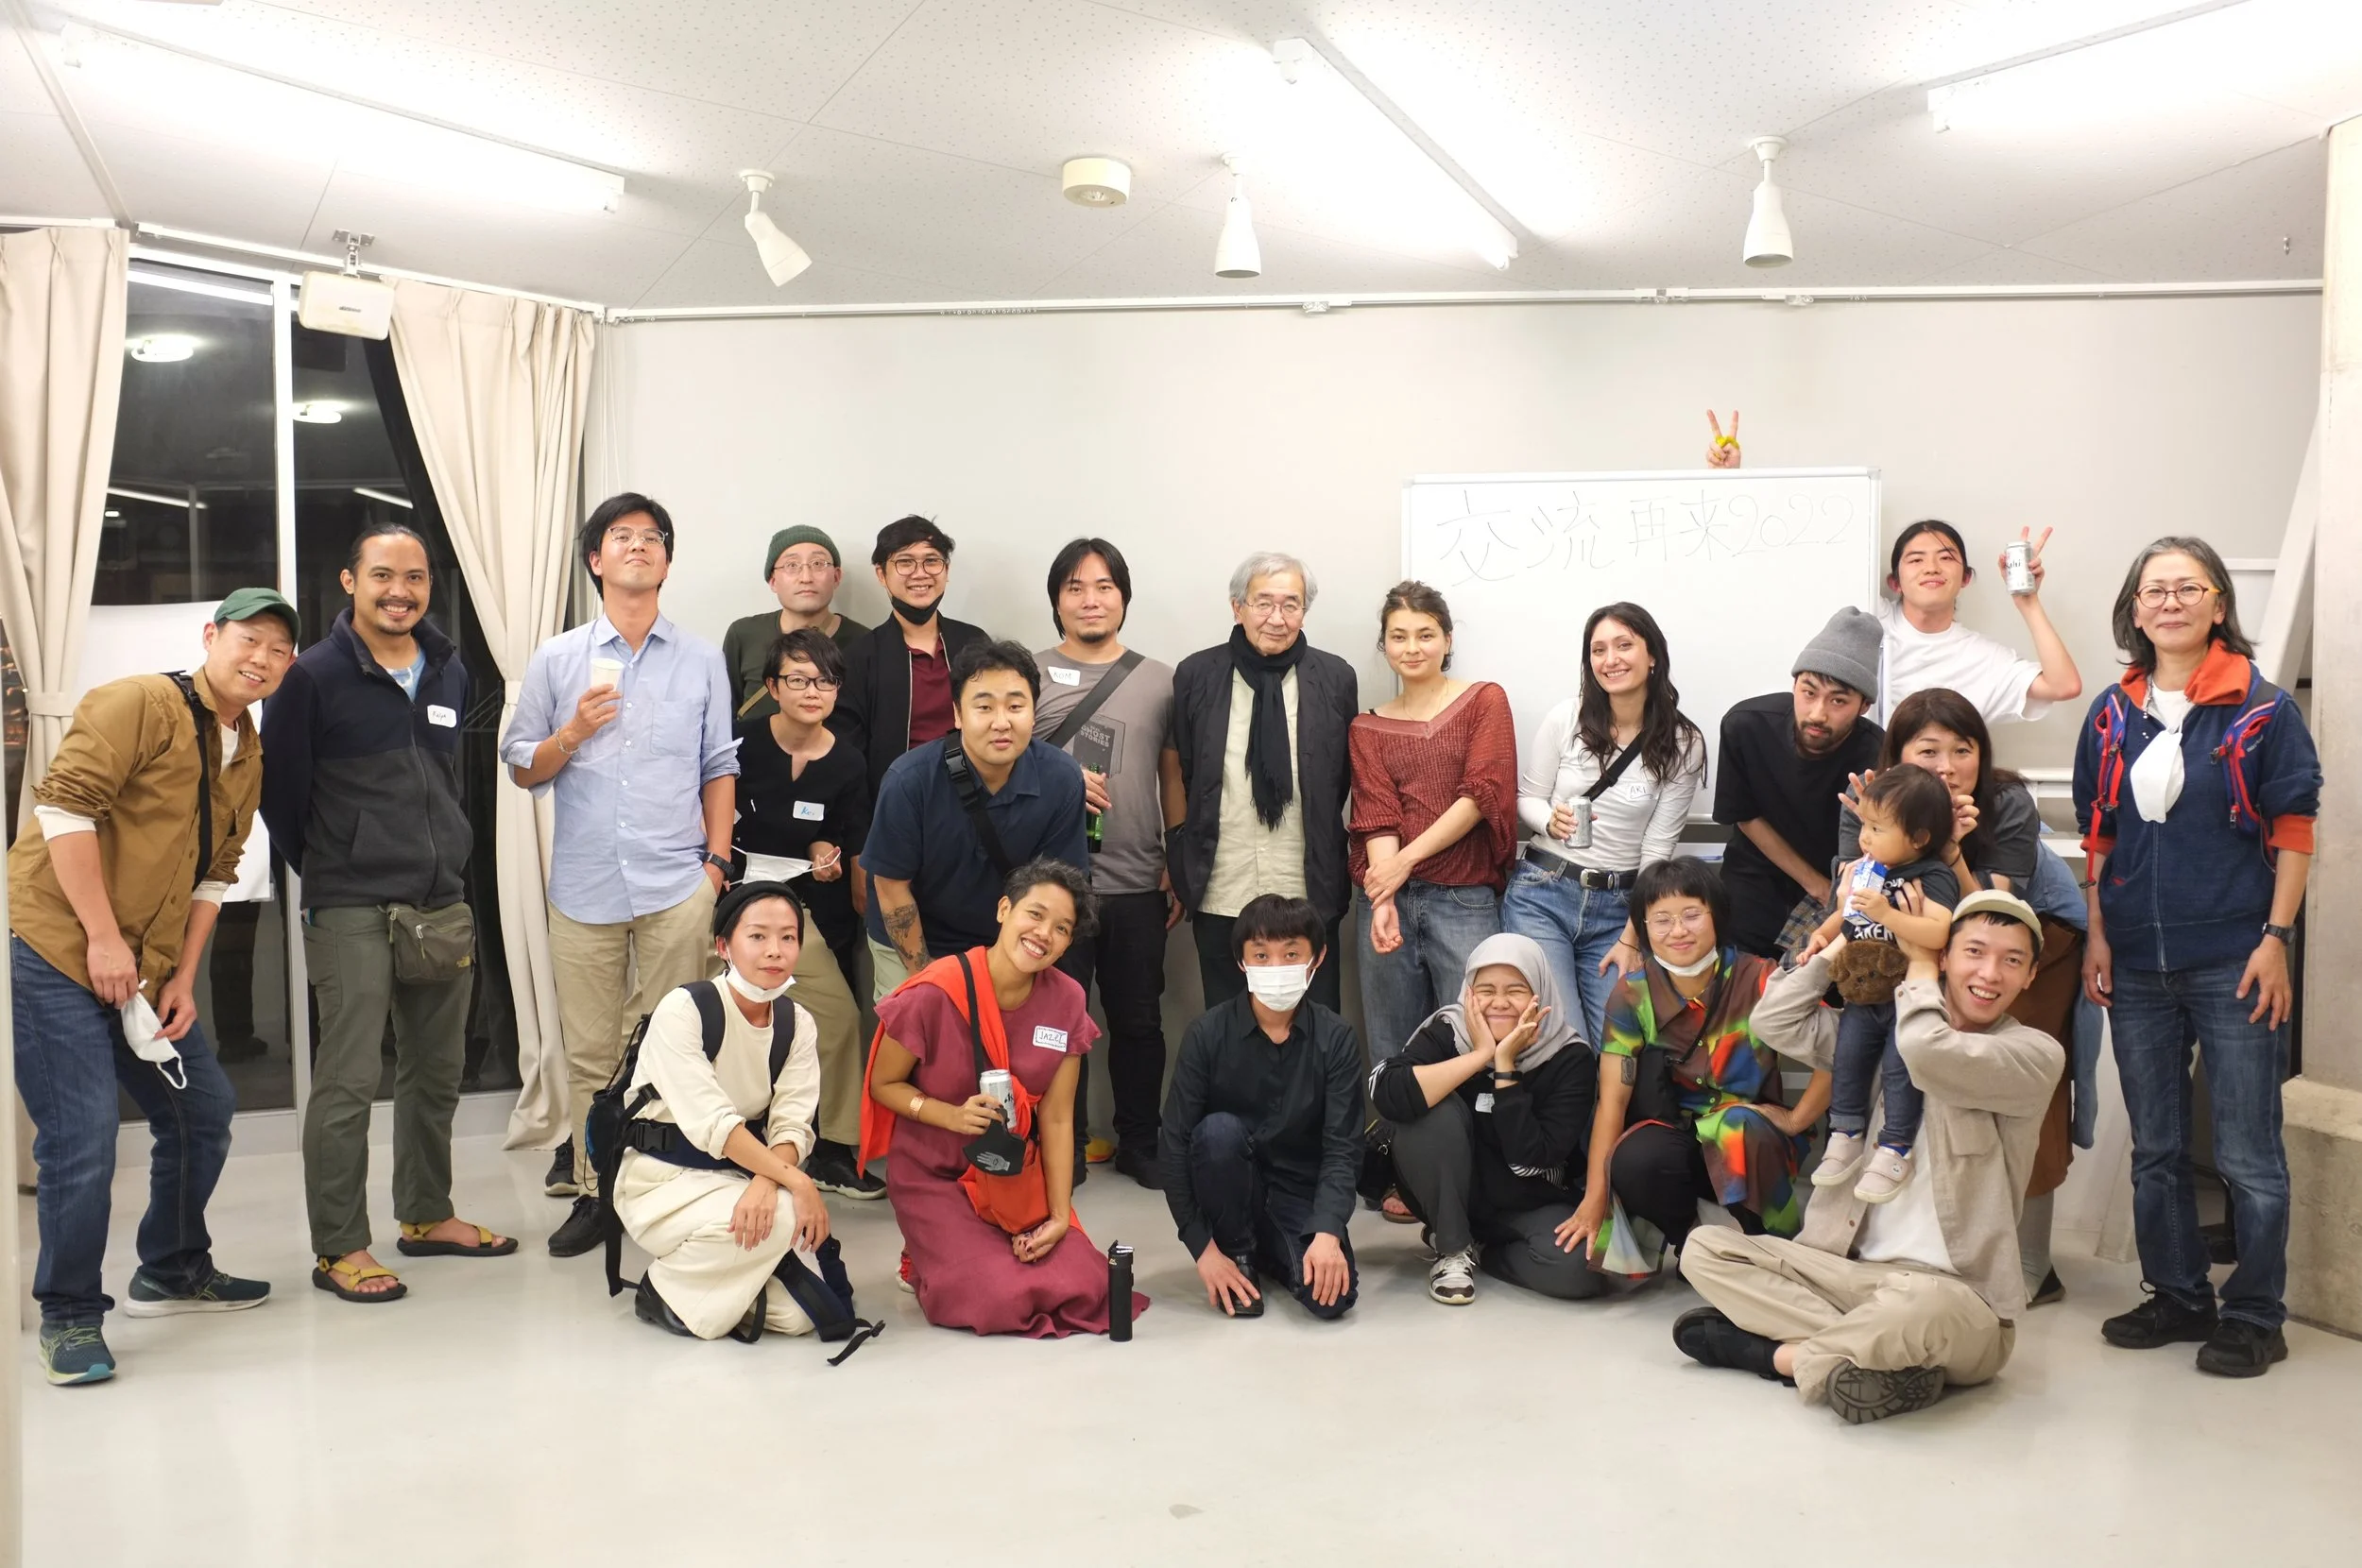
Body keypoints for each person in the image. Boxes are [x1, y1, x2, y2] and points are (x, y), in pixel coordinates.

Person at [10, 588, 297, 1385]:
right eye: (249, 639)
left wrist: (182, 977)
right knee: (82, 1137)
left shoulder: (248, 751)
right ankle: (69, 1314)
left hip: (142, 962)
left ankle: (171, 1270)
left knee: (201, 1111)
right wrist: (102, 940)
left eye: (279, 650)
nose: (262, 659)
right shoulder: (138, 703)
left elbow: (215, 873)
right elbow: (64, 812)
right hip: (55, 945)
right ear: (211, 636)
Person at [1676, 890, 2063, 1425]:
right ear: (1946, 955)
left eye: (2012, 960)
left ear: (2030, 976)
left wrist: (1919, 968)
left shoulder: (2033, 1055)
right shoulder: (1873, 1038)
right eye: (1974, 952)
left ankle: (1776, 1356)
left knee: (1919, 1309)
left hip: (1955, 1298)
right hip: (1847, 1276)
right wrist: (1847, 934)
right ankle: (1879, 1356)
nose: (1990, 973)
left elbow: (1927, 1051)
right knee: (1705, 1249)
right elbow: (1775, 1021)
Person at [2076, 537, 2319, 1378]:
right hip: (2136, 962)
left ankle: (2255, 1314)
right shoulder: (2112, 713)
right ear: (2135, 611)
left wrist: (2276, 941)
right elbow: (2099, 835)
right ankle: (2179, 1294)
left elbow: (2295, 832)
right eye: (2155, 590)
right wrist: (2099, 932)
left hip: (2235, 957)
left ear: (2218, 604)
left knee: (2249, 1153)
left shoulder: (2263, 709)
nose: (2170, 602)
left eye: (2188, 587)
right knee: (2156, 1146)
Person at [260, 523, 512, 1304]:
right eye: (381, 575)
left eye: (415, 577)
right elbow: (280, 798)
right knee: (349, 1077)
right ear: (350, 581)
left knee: (436, 1070)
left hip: (440, 898)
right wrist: (337, 865)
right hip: (351, 902)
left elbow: (444, 780)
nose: (399, 591)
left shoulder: (448, 670)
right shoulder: (311, 677)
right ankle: (339, 1245)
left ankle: (427, 1214)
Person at [500, 493, 740, 1257]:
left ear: (667, 560)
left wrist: (716, 864)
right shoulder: (557, 657)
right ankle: (596, 1191)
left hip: (677, 885)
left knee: (673, 1047)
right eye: (621, 536)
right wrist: (572, 731)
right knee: (591, 1054)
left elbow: (719, 765)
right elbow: (521, 765)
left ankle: (664, 1187)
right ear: (595, 560)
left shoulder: (701, 658)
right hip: (584, 887)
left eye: (652, 537)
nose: (638, 546)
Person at [1833, 686, 2096, 1305]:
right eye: (1928, 751)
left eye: (1962, 749)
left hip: (2029, 941)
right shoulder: (1873, 798)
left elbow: (1991, 917)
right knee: (1901, 1054)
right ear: (1898, 755)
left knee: (2013, 1082)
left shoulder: (2005, 802)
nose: (1947, 766)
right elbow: (1854, 895)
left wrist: (1951, 852)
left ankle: (2029, 1264)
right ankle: (1900, 1234)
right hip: (1925, 936)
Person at [861, 860, 1142, 1336]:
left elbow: (1057, 1119)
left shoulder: (1067, 1001)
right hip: (935, 1174)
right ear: (1004, 910)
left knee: (1086, 1284)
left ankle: (960, 1253)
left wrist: (1059, 1217)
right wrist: (949, 1116)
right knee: (998, 1297)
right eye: (1035, 914)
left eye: (1062, 928)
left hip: (1011, 1175)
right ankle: (922, 1256)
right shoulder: (935, 991)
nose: (1043, 934)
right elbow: (883, 1085)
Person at [1559, 858, 1824, 1264]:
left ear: (1716, 915)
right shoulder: (1631, 995)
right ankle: (1693, 1240)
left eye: (1691, 915)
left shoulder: (1760, 978)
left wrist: (1796, 1118)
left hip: (1751, 1141)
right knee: (1635, 1159)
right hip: (1677, 1141)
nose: (1678, 931)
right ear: (1643, 927)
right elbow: (1612, 1101)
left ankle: (1761, 1248)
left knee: (1737, 1127)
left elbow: (1843, 1043)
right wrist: (1594, 1198)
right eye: (1662, 920)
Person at [612, 881, 832, 1341]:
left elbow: (793, 1125)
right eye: (757, 936)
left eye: (788, 937)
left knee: (804, 1313)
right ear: (723, 946)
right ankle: (662, 1289)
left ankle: (715, 1286)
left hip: (741, 1176)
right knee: (787, 1214)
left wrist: (767, 1181)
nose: (775, 951)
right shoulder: (684, 1010)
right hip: (662, 1181)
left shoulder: (798, 1023)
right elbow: (714, 1123)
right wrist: (794, 1182)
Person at [1032, 538, 1181, 1189]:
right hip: (1051, 883)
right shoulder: (1028, 673)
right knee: (1057, 1022)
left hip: (1137, 877)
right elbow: (1000, 761)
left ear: (1123, 597)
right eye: (1075, 587)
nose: (1090, 600)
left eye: (1104, 587)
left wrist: (1176, 853)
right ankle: (1064, 1143)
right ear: (1056, 600)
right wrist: (1060, 776)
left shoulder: (1161, 679)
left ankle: (1139, 1142)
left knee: (1139, 1020)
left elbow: (1172, 772)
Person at [1502, 601, 1705, 1043]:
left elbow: (1657, 850)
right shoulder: (1567, 717)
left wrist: (1633, 935)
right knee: (1564, 1040)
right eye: (1598, 650)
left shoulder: (1684, 742)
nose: (1610, 660)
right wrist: (1549, 820)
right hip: (1543, 894)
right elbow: (1528, 798)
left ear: (1653, 655)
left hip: (1620, 908)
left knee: (1617, 1043)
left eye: (1624, 645)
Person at [1368, 933, 1602, 1305]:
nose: (1499, 1002)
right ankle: (1452, 1248)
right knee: (1429, 1107)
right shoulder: (1450, 1030)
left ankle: (1480, 1250)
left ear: (1540, 992)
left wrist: (1505, 1068)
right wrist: (1479, 1056)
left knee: (1580, 1269)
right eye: (1486, 990)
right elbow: (1386, 1091)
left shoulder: (1569, 1057)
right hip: (1452, 1196)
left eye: (1516, 990)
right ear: (1468, 992)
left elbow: (1530, 1162)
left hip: (1528, 1200)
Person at [1170, 553, 1359, 1013]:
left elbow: (1339, 779)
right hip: (1223, 882)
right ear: (1238, 607)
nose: (1277, 618)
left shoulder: (1335, 678)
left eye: (1291, 604)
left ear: (1304, 612)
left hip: (1307, 884)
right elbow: (1187, 772)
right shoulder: (1197, 675)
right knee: (1228, 1022)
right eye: (1263, 603)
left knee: (1315, 1023)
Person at [1159, 895, 1362, 1321]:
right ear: (1242, 961)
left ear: (1318, 957)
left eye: (1291, 954)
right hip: (1227, 1187)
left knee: (1332, 1301)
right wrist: (1204, 1251)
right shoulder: (1206, 1034)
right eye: (1261, 955)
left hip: (1299, 1192)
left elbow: (1343, 1147)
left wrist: (1327, 1232)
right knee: (1217, 1133)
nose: (1276, 967)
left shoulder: (1337, 1037)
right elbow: (1175, 1142)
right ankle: (1238, 1249)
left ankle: (1270, 1250)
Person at [730, 627, 878, 1200]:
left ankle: (835, 1146)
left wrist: (825, 854)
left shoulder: (847, 761)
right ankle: (713, 1141)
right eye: (798, 679)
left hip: (792, 907)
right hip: (724, 897)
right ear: (772, 687)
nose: (812, 691)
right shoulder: (741, 743)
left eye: (825, 681)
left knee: (838, 1019)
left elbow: (837, 832)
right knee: (700, 1014)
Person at [861, 640, 1089, 1001]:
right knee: (919, 1021)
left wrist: (1014, 962)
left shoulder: (1061, 779)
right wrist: (929, 979)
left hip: (1005, 940)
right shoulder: (909, 780)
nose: (1001, 722)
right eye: (984, 707)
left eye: (1016, 706)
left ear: (1034, 712)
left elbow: (1057, 887)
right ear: (957, 714)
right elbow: (891, 887)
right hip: (915, 936)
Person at [1347, 581, 1515, 1069]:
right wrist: (1383, 897)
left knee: (1480, 1045)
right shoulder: (1367, 726)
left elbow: (1481, 795)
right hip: (1387, 900)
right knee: (1393, 1054)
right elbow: (1377, 815)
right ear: (1384, 644)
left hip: (1464, 899)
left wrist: (1402, 863)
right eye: (1398, 636)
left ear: (1447, 640)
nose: (1412, 648)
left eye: (1425, 635)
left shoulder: (1484, 700)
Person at [1799, 765, 1960, 1204]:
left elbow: (1938, 932)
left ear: (1919, 838)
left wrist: (1888, 914)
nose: (1864, 837)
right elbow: (1847, 914)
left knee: (1899, 1068)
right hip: (1862, 994)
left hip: (1908, 998)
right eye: (1864, 826)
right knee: (1847, 1059)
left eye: (1876, 828)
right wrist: (1821, 935)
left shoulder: (1933, 875)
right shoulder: (1869, 868)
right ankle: (1844, 1134)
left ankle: (1895, 1147)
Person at [1713, 606, 1886, 960]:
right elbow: (1745, 816)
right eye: (1809, 692)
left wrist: (1832, 891)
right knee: (1738, 979)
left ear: (1864, 706)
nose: (1818, 713)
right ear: (1794, 685)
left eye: (1838, 700)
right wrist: (1815, 884)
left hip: (1839, 886)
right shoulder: (1746, 726)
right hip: (1754, 877)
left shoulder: (1878, 754)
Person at [831, 515, 989, 803]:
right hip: (896, 801)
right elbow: (849, 756)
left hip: (973, 799)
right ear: (881, 574)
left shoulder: (973, 643)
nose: (920, 573)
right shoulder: (859, 658)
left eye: (932, 561)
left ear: (946, 570)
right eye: (905, 562)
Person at [1877, 519, 2081, 724]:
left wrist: (2028, 602)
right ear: (1895, 582)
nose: (1931, 568)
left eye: (1946, 558)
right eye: (1916, 560)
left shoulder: (1983, 658)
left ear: (1965, 578)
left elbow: (2064, 686)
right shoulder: (1871, 616)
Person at [721, 526, 873, 723]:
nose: (806, 578)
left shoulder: (865, 642)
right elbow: (724, 717)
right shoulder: (744, 634)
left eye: (818, 564)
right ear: (773, 581)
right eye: (792, 565)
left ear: (836, 577)